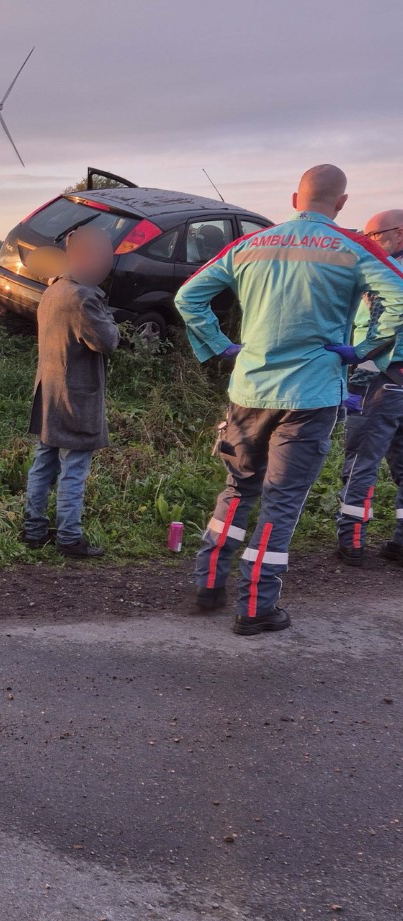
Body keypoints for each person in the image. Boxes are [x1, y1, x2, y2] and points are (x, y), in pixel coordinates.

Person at [176, 165, 403, 635]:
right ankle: (257, 607)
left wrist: (219, 346)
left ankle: (207, 584)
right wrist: (366, 350)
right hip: (311, 394)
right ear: (341, 203)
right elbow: (398, 298)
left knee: (238, 488)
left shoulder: (249, 244)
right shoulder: (353, 246)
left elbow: (188, 296)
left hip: (249, 391)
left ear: (294, 198)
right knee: (281, 502)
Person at [23, 225, 119, 558]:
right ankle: (68, 537)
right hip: (76, 398)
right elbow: (106, 342)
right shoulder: (83, 296)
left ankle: (33, 531)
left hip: (48, 393)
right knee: (74, 468)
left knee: (44, 463)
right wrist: (113, 322)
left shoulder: (52, 291)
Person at [336, 209, 403, 566]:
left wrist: (356, 388)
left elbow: (377, 335)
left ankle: (352, 542)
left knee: (361, 461)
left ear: (400, 234)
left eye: (374, 235)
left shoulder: (386, 278)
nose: (368, 242)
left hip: (382, 379)